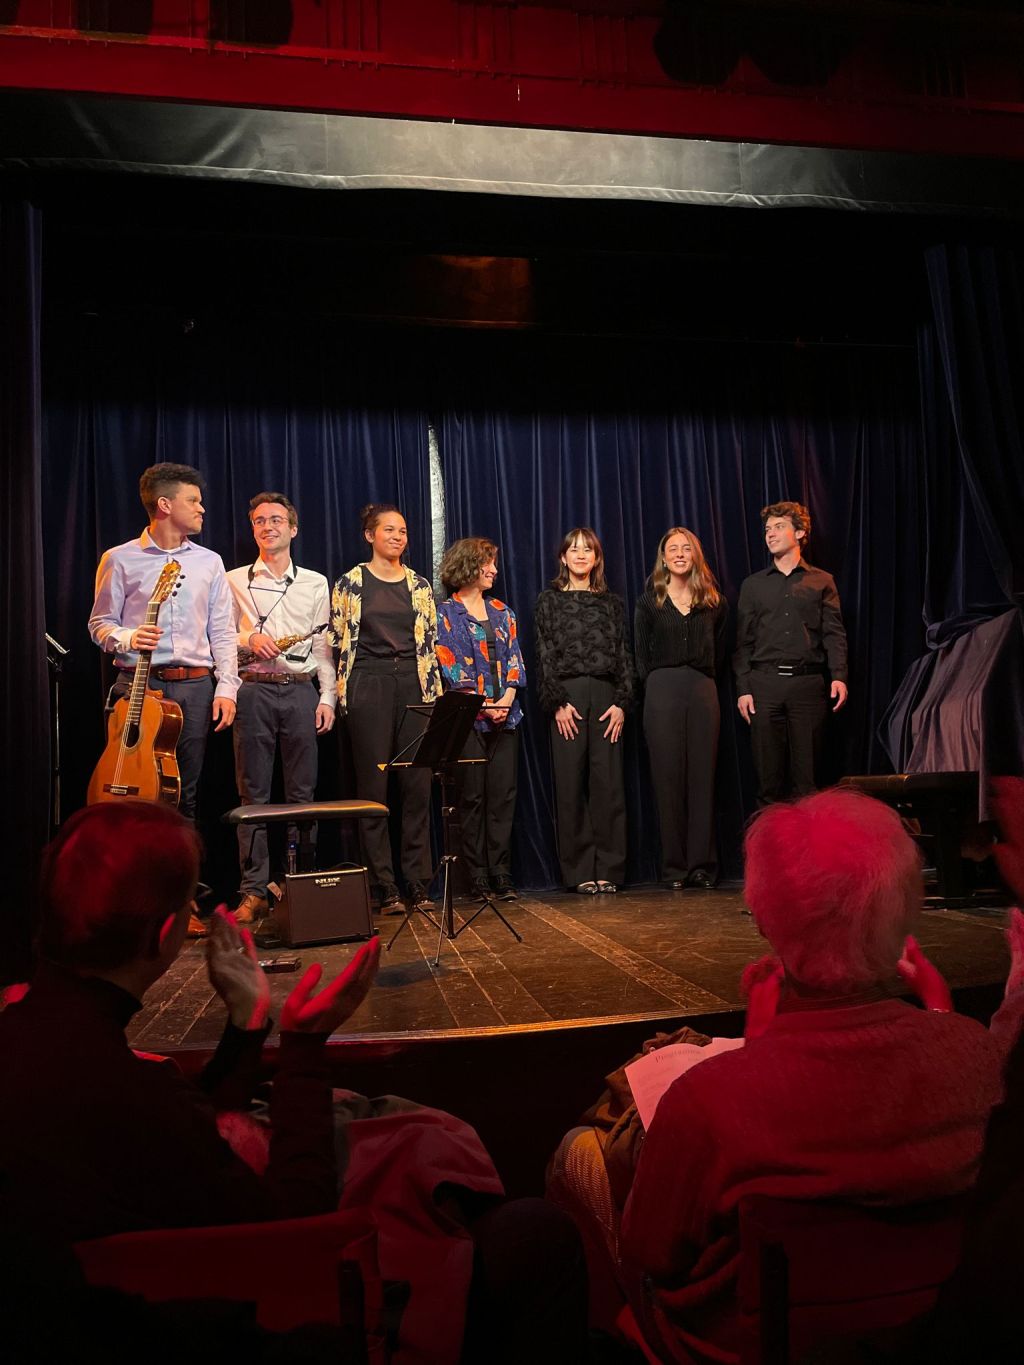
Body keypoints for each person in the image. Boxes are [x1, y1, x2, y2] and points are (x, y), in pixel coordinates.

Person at [612, 789, 1002, 1365]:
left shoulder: (707, 1102)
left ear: (765, 917)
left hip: (742, 1348)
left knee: (585, 1164)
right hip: (934, 1336)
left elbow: (650, 1251)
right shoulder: (982, 1059)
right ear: (905, 912)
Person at [0, 800, 381, 1247]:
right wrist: (304, 1047)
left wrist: (245, 1026)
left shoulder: (35, 1037)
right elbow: (290, 1228)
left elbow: (186, 1127)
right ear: (165, 936)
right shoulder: (134, 1097)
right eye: (190, 902)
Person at [88, 462, 239, 827]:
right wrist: (128, 636)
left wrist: (228, 688)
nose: (202, 508)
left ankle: (177, 879)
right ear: (165, 505)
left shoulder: (209, 562)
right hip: (138, 683)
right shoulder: (119, 558)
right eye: (193, 500)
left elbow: (221, 630)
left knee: (181, 792)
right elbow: (99, 623)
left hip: (193, 686)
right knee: (132, 786)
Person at [226, 492, 336, 925]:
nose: (266, 526)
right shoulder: (232, 579)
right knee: (252, 795)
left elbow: (323, 645)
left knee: (302, 795)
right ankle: (252, 891)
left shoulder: (314, 582)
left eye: (275, 520)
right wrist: (247, 639)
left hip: (299, 689)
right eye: (258, 521)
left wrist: (327, 697)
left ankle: (300, 885)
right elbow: (218, 636)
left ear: (293, 528)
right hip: (252, 689)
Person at [330, 503, 442, 914]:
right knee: (374, 789)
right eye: (389, 530)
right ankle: (384, 886)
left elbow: (428, 642)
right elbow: (338, 639)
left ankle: (417, 882)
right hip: (369, 680)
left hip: (415, 682)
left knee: (417, 785)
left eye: (404, 531)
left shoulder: (420, 585)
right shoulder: (350, 583)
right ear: (370, 535)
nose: (398, 536)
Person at [534, 528, 633, 894]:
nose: (580, 555)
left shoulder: (612, 603)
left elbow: (624, 655)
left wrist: (622, 703)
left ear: (596, 558)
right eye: (573, 550)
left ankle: (610, 868)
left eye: (587, 550)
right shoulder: (549, 600)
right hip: (568, 696)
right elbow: (543, 653)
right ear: (563, 557)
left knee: (609, 785)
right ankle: (578, 872)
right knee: (570, 785)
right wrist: (557, 702)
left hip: (606, 695)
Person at [734, 500, 848, 806]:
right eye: (767, 529)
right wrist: (744, 689)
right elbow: (742, 642)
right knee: (768, 782)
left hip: (807, 687)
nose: (770, 534)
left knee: (807, 782)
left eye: (779, 527)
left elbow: (833, 632)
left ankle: (807, 853)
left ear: (799, 532)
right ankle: (768, 852)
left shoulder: (822, 581)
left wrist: (839, 676)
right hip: (764, 686)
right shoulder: (753, 585)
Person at [635, 526, 728, 890]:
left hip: (703, 689)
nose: (678, 553)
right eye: (672, 548)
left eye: (685, 548)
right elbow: (641, 657)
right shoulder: (648, 603)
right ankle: (674, 868)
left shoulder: (713, 601)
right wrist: (657, 689)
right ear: (663, 557)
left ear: (695, 555)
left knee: (703, 778)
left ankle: (701, 865)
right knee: (667, 777)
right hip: (661, 691)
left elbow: (720, 650)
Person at [437, 537, 527, 902]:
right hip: (468, 720)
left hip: (506, 717)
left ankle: (500, 874)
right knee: (472, 798)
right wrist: (483, 703)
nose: (493, 569)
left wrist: (505, 698)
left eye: (493, 563)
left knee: (502, 797)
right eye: (486, 563)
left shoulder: (503, 612)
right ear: (466, 566)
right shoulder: (445, 613)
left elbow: (515, 662)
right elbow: (450, 665)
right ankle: (476, 877)